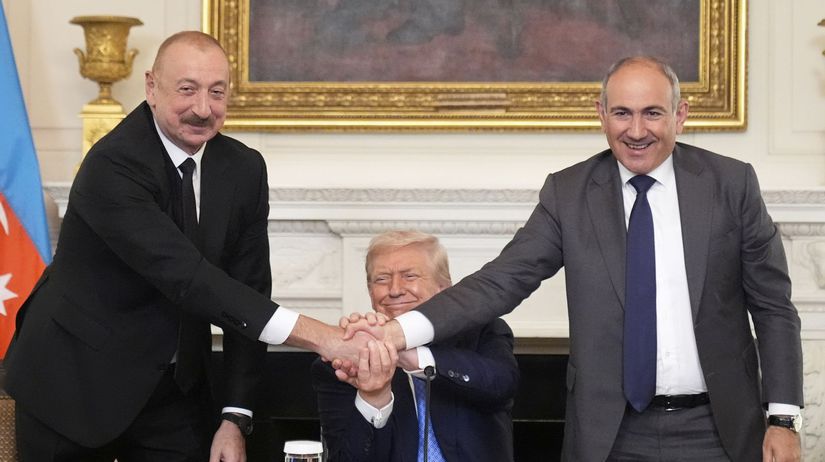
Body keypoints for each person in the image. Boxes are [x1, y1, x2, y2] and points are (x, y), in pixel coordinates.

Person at [342, 57, 804, 461]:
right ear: (601, 115)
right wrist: (396, 332)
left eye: (652, 113)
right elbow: (501, 281)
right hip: (611, 434)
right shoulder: (568, 193)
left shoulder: (731, 185)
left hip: (718, 428)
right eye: (621, 113)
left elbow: (773, 308)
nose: (636, 131)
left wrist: (783, 419)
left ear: (679, 115)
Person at [4, 31, 367, 461]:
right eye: (187, 89)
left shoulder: (244, 169)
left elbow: (248, 292)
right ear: (151, 87)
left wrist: (235, 417)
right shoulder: (113, 163)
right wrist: (323, 337)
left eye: (217, 92)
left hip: (173, 392)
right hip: (73, 383)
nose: (203, 109)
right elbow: (190, 279)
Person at [313, 231, 519, 461]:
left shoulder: (483, 332)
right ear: (371, 293)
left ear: (444, 288)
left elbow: (502, 386)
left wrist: (414, 356)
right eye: (382, 279)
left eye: (409, 276)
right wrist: (372, 397)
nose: (395, 290)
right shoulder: (344, 362)